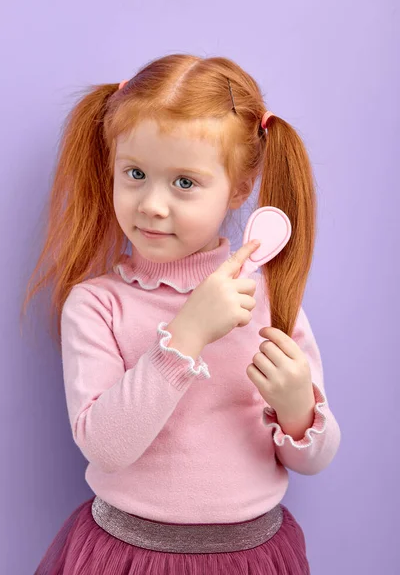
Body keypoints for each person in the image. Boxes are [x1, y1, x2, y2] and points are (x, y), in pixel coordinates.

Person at [24, 53, 341, 574]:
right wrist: (187, 333)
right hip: (127, 556)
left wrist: (296, 408)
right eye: (135, 174)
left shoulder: (269, 300)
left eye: (184, 183)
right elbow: (105, 446)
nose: (151, 203)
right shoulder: (97, 304)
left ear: (238, 190)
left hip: (253, 557)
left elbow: (315, 458)